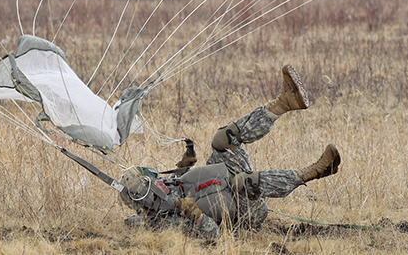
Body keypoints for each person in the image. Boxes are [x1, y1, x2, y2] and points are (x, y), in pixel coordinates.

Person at [119, 65, 341, 240]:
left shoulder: (164, 187)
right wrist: (195, 216)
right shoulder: (163, 222)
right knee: (243, 182)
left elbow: (190, 184)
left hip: (219, 184)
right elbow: (213, 238)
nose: (157, 180)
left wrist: (185, 164)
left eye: (151, 176)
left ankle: (284, 102)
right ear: (147, 199)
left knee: (222, 140)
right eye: (150, 183)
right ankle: (312, 172)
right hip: (245, 216)